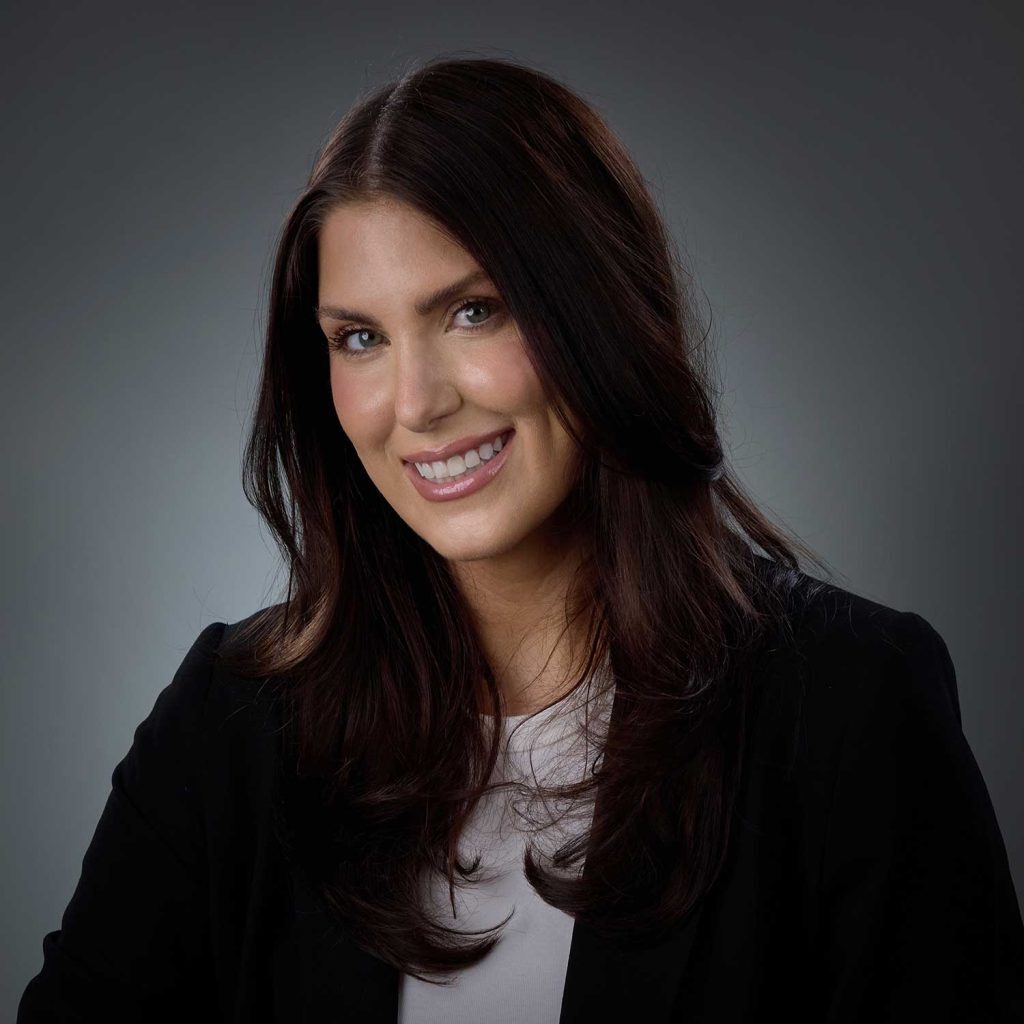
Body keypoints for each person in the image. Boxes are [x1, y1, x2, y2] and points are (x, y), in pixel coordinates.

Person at [18, 54, 1024, 1024]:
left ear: (600, 313)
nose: (416, 402)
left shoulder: (847, 705)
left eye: (473, 311)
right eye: (359, 338)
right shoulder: (230, 723)